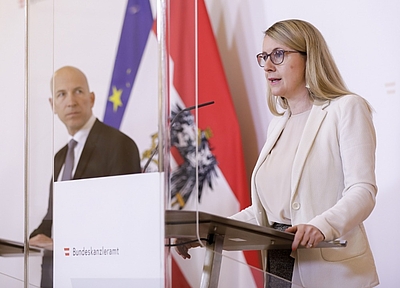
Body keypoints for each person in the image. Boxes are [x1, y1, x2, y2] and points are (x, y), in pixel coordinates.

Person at [175, 19, 379, 287]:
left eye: (279, 55)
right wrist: (204, 231)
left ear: (309, 58)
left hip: (334, 275)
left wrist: (322, 225)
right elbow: (264, 214)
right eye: (264, 57)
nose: (268, 66)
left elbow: (363, 191)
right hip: (279, 270)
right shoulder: (277, 125)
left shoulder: (346, 109)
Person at [29, 66, 142, 288]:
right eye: (61, 94)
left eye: (78, 91)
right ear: (53, 105)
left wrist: (64, 244)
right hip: (55, 276)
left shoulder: (119, 144)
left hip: (100, 276)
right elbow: (53, 217)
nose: (70, 101)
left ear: (91, 98)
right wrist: (32, 239)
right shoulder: (60, 157)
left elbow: (124, 218)